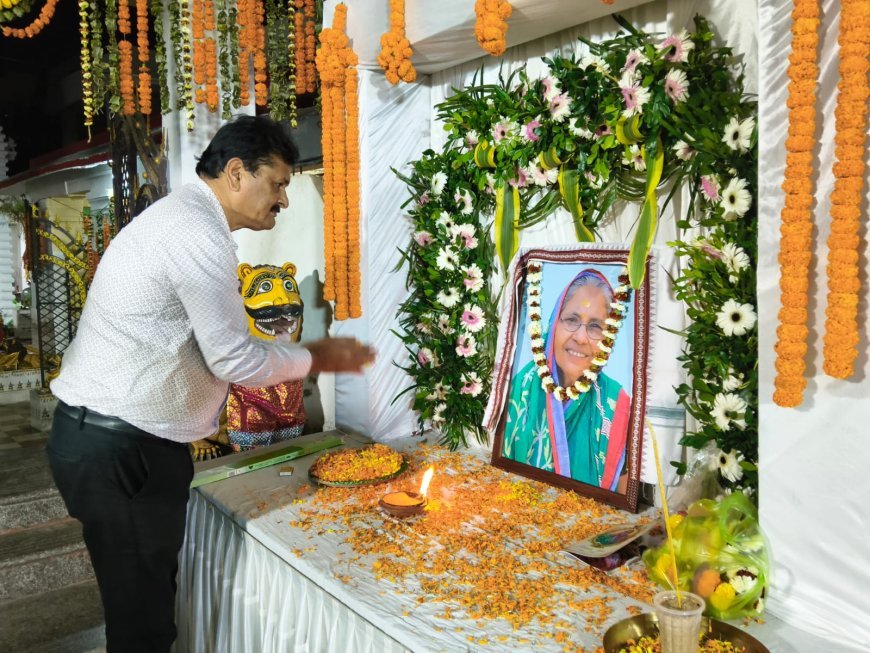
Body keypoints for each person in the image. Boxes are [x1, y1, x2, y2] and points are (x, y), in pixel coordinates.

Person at [47, 115, 375, 653]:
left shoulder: (188, 219)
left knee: (145, 606)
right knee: (143, 625)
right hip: (122, 447)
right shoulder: (195, 231)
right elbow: (233, 359)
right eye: (278, 184)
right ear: (237, 173)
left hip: (117, 440)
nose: (283, 200)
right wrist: (316, 356)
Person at [502, 268, 631, 492]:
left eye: (595, 327)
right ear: (554, 324)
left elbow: (622, 496)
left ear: (608, 338)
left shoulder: (617, 406)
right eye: (571, 320)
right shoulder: (519, 390)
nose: (580, 338)